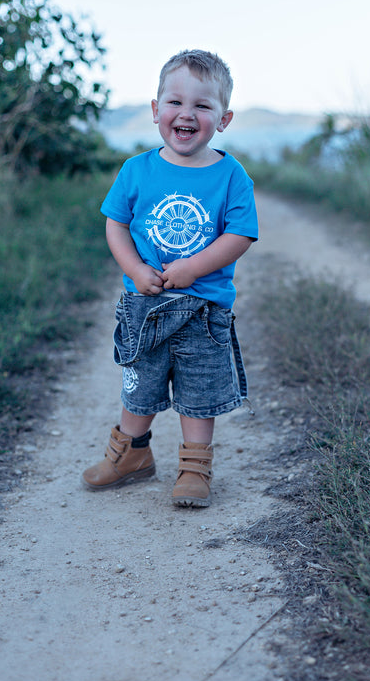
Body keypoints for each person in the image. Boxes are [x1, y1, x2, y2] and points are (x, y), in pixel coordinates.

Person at [82, 50, 258, 508]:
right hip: (146, 304)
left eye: (202, 105)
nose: (187, 113)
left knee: (199, 390)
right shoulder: (137, 170)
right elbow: (115, 224)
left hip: (203, 308)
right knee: (140, 383)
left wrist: (191, 269)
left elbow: (240, 235)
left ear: (223, 119)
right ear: (156, 110)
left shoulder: (231, 175)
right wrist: (136, 270)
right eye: (175, 102)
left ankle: (194, 467)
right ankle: (131, 456)